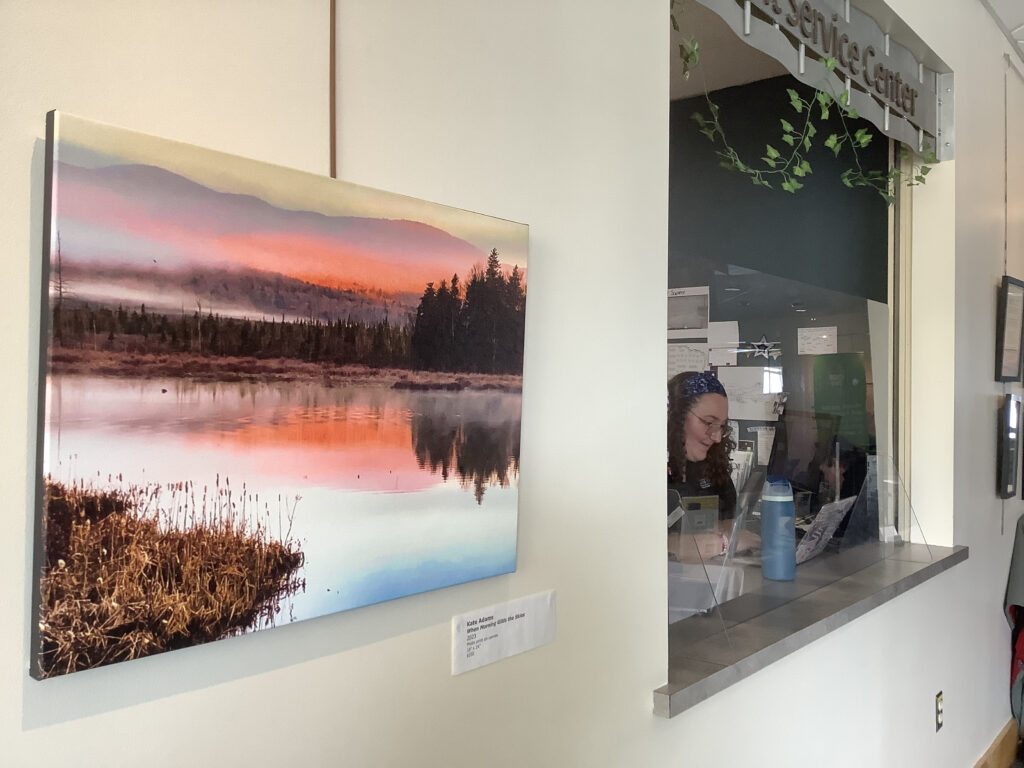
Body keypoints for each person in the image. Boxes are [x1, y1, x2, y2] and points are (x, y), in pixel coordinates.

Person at [667, 370, 759, 561]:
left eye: (721, 426)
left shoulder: (712, 466)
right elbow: (648, 542)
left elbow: (729, 521)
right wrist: (722, 543)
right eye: (708, 422)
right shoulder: (644, 468)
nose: (717, 437)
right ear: (674, 416)